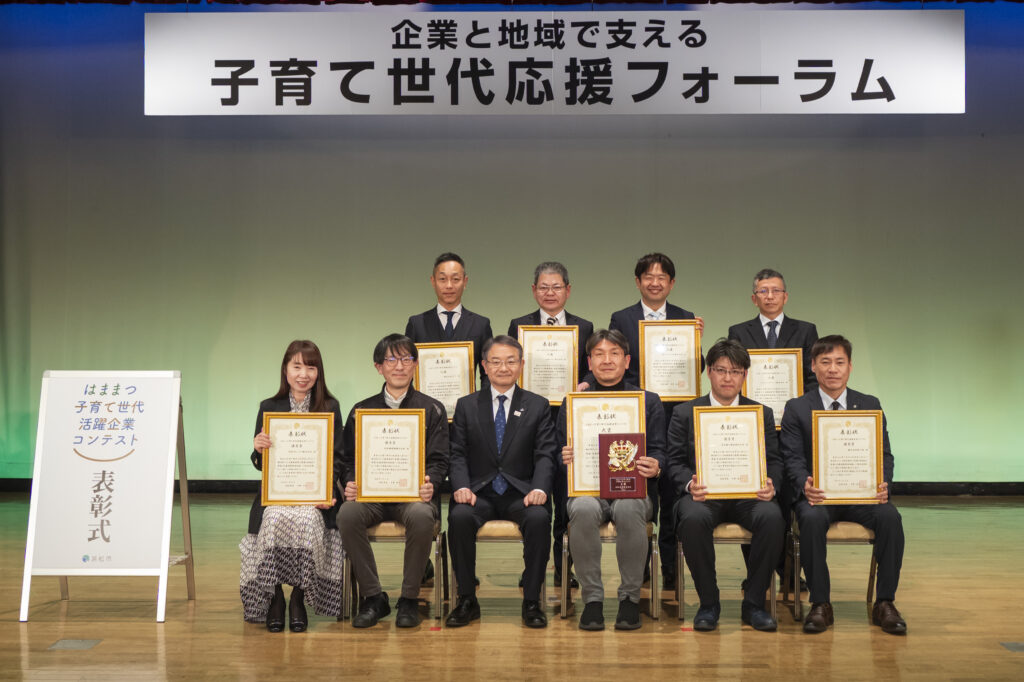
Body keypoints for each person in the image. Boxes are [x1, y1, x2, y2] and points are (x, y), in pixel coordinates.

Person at [590, 252, 704, 590]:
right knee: (643, 487)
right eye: (648, 277)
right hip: (638, 412)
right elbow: (614, 361)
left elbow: (694, 369)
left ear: (671, 283)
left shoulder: (685, 318)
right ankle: (639, 567)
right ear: (638, 282)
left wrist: (697, 340)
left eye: (661, 277)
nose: (655, 283)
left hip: (675, 414)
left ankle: (668, 566)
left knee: (672, 493)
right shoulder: (622, 317)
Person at [780, 335, 907, 635]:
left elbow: (884, 455)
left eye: (839, 362)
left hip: (862, 495)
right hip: (819, 496)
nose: (832, 369)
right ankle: (820, 603)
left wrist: (883, 484)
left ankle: (885, 602)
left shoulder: (869, 404)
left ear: (850, 366)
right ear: (813, 366)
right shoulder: (797, 407)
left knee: (890, 517)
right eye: (825, 362)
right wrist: (804, 484)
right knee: (810, 519)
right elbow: (791, 457)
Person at [667, 339, 784, 632]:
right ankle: (709, 603)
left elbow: (774, 459)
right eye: (721, 370)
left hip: (749, 496)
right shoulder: (685, 412)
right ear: (709, 371)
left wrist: (772, 484)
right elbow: (674, 462)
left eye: (735, 371)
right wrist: (689, 483)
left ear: (745, 375)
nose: (728, 378)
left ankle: (754, 603)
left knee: (772, 517)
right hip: (704, 495)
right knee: (692, 518)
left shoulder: (761, 412)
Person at [336, 334, 450, 628]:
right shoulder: (361, 410)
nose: (399, 366)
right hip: (371, 498)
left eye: (406, 359)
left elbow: (440, 460)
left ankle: (409, 598)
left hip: (412, 497)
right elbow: (346, 459)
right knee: (347, 514)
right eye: (391, 360)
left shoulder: (433, 409)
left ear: (415, 364)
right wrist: (350, 482)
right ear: (379, 367)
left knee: (422, 516)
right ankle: (373, 597)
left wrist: (431, 482)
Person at [445, 336, 558, 629]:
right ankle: (466, 598)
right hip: (478, 492)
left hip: (521, 493)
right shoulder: (467, 405)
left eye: (510, 361)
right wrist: (461, 486)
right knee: (458, 517)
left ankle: (531, 600)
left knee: (538, 518)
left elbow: (545, 453)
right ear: (484, 366)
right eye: (495, 361)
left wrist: (539, 488)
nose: (503, 367)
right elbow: (457, 453)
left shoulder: (537, 405)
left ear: (521, 365)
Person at [557, 329, 665, 631]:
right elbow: (556, 450)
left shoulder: (647, 401)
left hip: (632, 490)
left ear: (626, 361)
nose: (607, 360)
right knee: (582, 508)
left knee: (629, 508)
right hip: (587, 488)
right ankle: (592, 599)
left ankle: (629, 598)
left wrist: (656, 465)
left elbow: (661, 449)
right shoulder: (574, 402)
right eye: (599, 354)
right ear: (589, 362)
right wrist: (563, 456)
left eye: (614, 353)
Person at [240, 340, 344, 632]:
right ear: (285, 370)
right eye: (297, 366)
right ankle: (275, 597)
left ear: (318, 372)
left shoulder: (330, 407)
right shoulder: (269, 407)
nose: (303, 374)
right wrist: (258, 449)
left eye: (310, 367)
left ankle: (298, 597)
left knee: (309, 521)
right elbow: (261, 464)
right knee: (272, 519)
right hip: (278, 494)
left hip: (314, 496)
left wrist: (327, 493)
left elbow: (337, 458)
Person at [508, 261, 594, 589]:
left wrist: (585, 383)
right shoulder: (519, 325)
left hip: (570, 422)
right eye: (543, 287)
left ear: (568, 290)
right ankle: (533, 569)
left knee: (564, 498)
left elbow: (591, 367)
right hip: (529, 421)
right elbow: (510, 367)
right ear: (534, 291)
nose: (550, 293)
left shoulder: (584, 326)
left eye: (556, 287)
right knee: (535, 499)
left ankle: (563, 569)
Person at [405, 252, 494, 390]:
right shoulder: (417, 324)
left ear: (465, 282)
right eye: (442, 279)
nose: (449, 285)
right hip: (427, 402)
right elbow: (406, 371)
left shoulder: (481, 324)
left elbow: (488, 373)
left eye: (455, 279)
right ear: (433, 281)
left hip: (468, 402)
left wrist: (480, 401)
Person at [727, 268, 819, 392]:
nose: (770, 296)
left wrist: (800, 402)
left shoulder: (806, 331)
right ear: (754, 299)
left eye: (776, 291)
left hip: (797, 403)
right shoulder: (738, 332)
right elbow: (733, 374)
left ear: (785, 297)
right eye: (763, 291)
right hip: (751, 402)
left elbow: (813, 375)